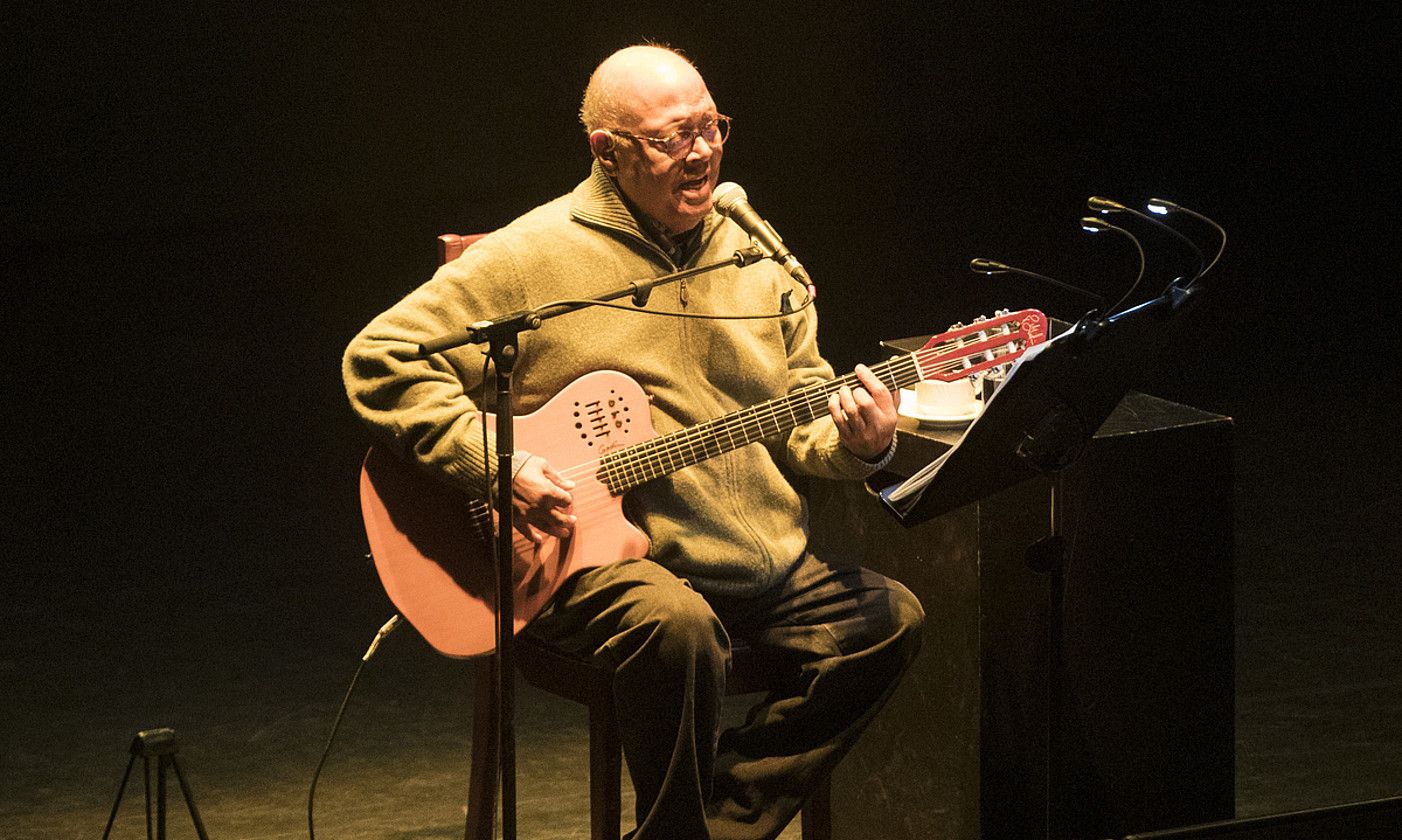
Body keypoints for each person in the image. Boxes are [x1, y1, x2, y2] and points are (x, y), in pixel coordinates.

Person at [343, 44, 924, 840]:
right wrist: (492, 459)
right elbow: (381, 358)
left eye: (711, 126)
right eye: (671, 136)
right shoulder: (531, 254)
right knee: (678, 630)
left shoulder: (754, 249)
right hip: (607, 561)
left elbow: (801, 414)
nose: (703, 150)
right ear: (606, 151)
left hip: (754, 560)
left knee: (887, 621)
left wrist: (859, 447)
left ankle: (704, 829)